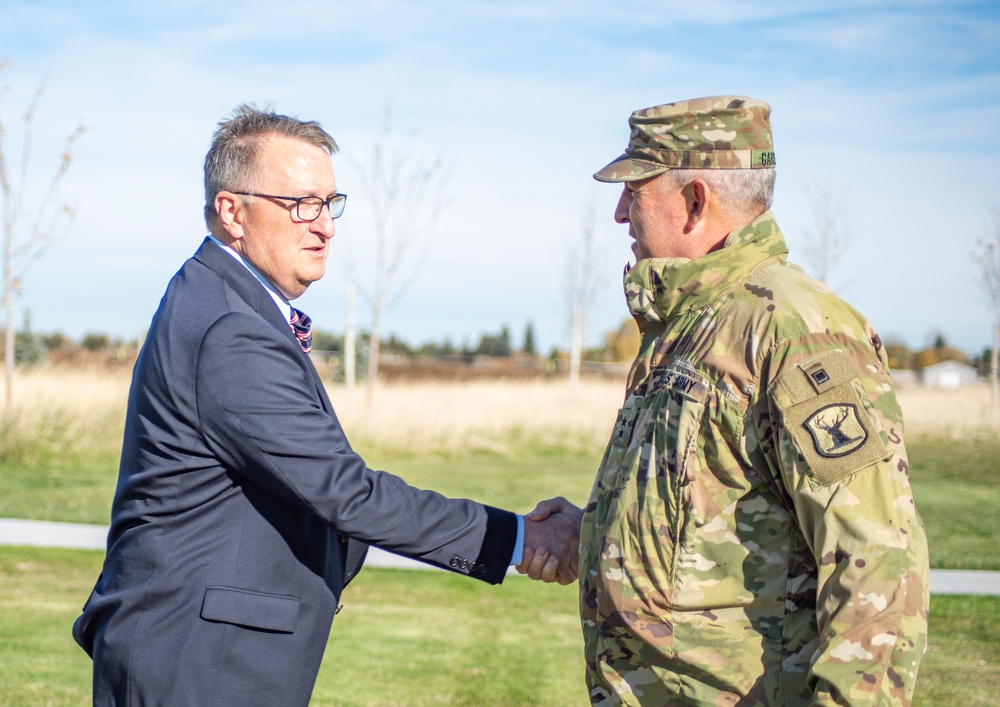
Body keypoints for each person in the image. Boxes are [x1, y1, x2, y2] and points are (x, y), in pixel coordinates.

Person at [72, 104, 580, 706]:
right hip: (197, 659)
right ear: (232, 212)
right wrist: (519, 539)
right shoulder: (229, 328)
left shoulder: (224, 303)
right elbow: (345, 492)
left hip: (201, 648)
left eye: (331, 204)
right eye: (301, 204)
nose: (325, 226)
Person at [528, 96, 929, 705]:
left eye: (634, 189)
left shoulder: (792, 330)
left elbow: (877, 561)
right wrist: (599, 537)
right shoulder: (690, 325)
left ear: (694, 201)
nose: (618, 213)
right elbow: (710, 520)